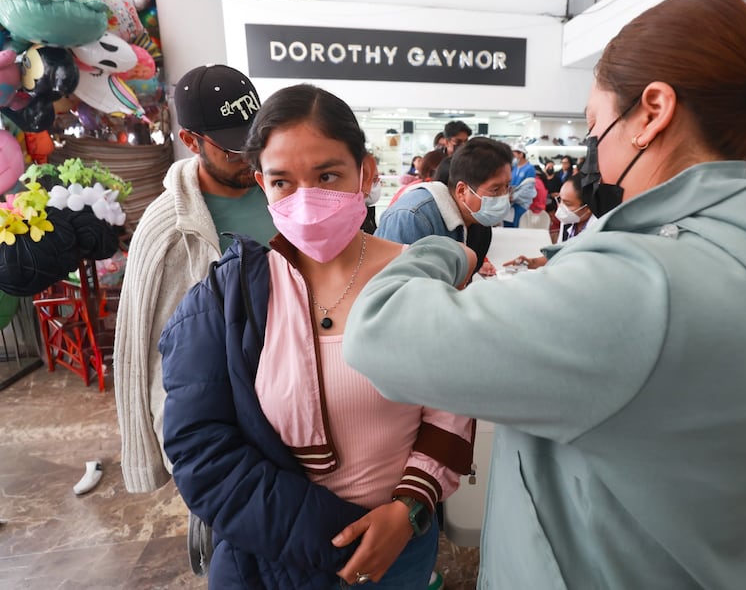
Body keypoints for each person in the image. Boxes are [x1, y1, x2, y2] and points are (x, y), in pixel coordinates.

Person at [343, 0, 746, 589]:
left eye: (598, 127)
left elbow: (379, 333)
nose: (597, 154)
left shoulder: (643, 284)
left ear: (652, 110)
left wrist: (449, 248)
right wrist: (576, 261)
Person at [159, 83, 473, 589]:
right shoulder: (232, 295)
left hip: (402, 549)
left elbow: (451, 411)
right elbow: (200, 448)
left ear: (365, 173)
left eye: (327, 175)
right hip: (280, 556)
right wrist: (339, 539)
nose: (307, 200)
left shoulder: (414, 280)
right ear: (263, 183)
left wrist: (406, 512)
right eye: (283, 181)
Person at [114, 64, 276, 494]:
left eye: (255, 142)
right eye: (233, 149)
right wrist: (167, 456)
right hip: (226, 425)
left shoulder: (283, 193)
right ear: (190, 141)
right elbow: (146, 349)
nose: (249, 158)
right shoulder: (169, 227)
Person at [376, 137, 511, 278]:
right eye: (495, 189)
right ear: (462, 191)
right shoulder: (413, 218)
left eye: (507, 186)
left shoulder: (478, 222)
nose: (504, 196)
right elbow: (392, 288)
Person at [508, 172, 593, 268]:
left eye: (568, 204)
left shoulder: (597, 232)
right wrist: (531, 263)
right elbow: (559, 256)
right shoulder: (568, 222)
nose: (561, 207)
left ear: (588, 208)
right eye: (560, 200)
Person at [503, 142, 536, 227]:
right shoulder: (513, 167)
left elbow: (527, 188)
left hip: (521, 204)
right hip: (509, 204)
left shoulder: (529, 169)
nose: (513, 158)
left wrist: (513, 197)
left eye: (514, 155)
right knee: (508, 226)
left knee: (518, 226)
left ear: (521, 154)